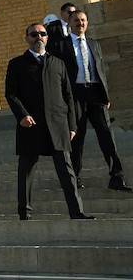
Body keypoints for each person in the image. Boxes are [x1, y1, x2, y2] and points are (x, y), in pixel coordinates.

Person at [5, 23, 94, 220]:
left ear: (47, 38)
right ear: (27, 38)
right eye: (34, 34)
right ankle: (24, 213)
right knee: (26, 171)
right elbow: (11, 94)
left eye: (42, 34)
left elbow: (68, 96)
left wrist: (72, 125)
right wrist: (22, 115)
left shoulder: (58, 63)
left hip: (58, 124)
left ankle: (76, 212)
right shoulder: (17, 64)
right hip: (31, 124)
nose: (39, 37)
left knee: (67, 171)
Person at [48, 10, 131, 192]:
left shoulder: (94, 44)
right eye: (76, 20)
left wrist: (106, 96)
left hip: (95, 94)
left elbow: (100, 70)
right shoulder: (60, 45)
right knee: (77, 139)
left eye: (83, 20)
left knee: (107, 136)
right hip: (74, 96)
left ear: (87, 22)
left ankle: (117, 177)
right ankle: (75, 177)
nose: (80, 23)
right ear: (69, 23)